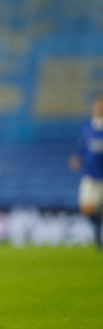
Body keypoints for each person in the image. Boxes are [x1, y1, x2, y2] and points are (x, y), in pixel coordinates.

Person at [69, 93, 103, 248]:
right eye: (98, 104)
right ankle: (97, 230)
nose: (99, 107)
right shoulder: (87, 126)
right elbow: (82, 146)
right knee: (86, 208)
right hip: (90, 175)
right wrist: (77, 157)